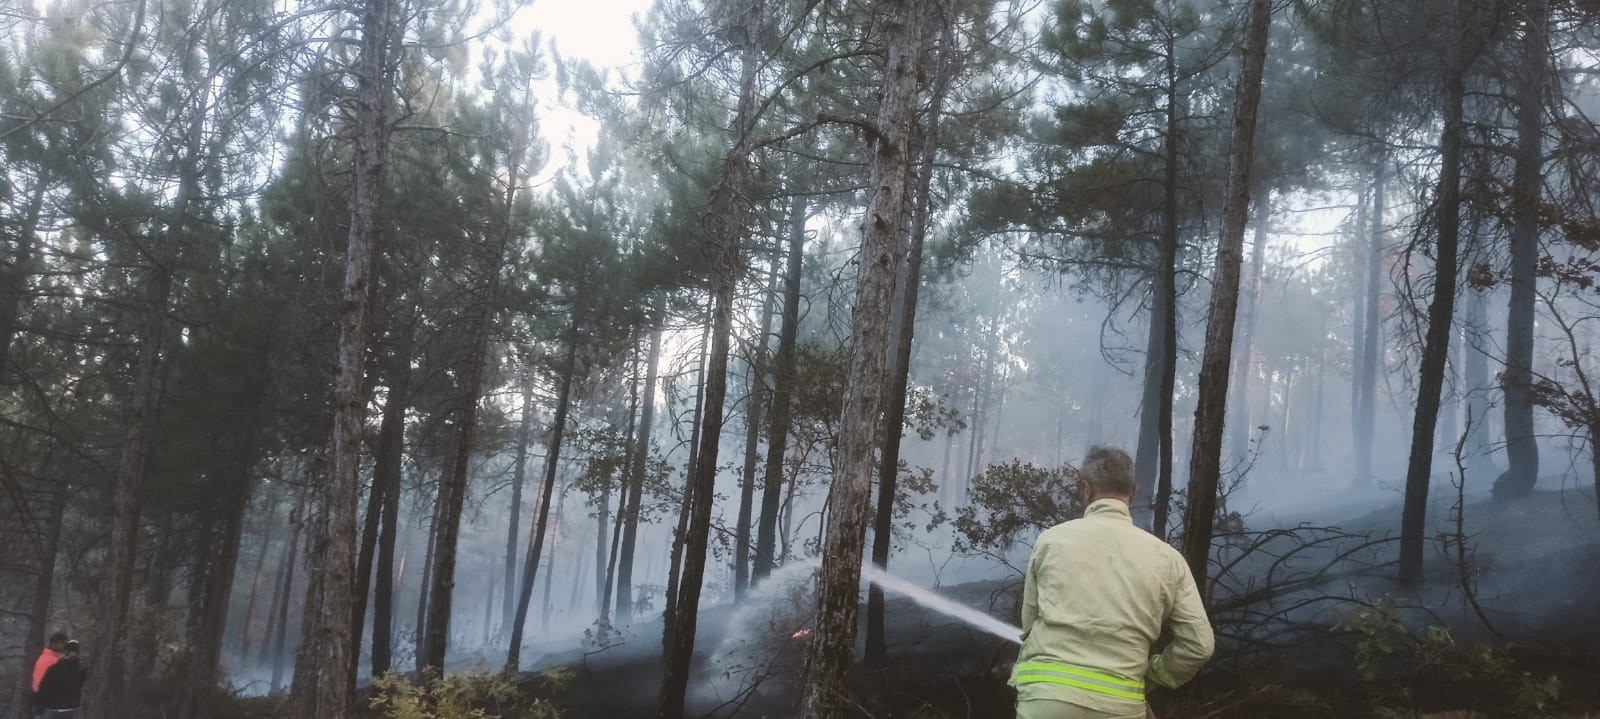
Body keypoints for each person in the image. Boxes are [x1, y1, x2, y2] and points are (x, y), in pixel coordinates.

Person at [1012, 446, 1214, 719]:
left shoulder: (1052, 541)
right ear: (1133, 491)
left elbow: (1029, 625)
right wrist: (1155, 674)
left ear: (1085, 489)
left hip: (1046, 701)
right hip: (1118, 707)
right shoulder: (1166, 558)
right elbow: (1199, 645)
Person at [35, 639, 88, 718]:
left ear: (64, 652)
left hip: (52, 708)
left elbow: (43, 688)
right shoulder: (81, 670)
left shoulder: (53, 669)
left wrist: (39, 708)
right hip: (71, 709)